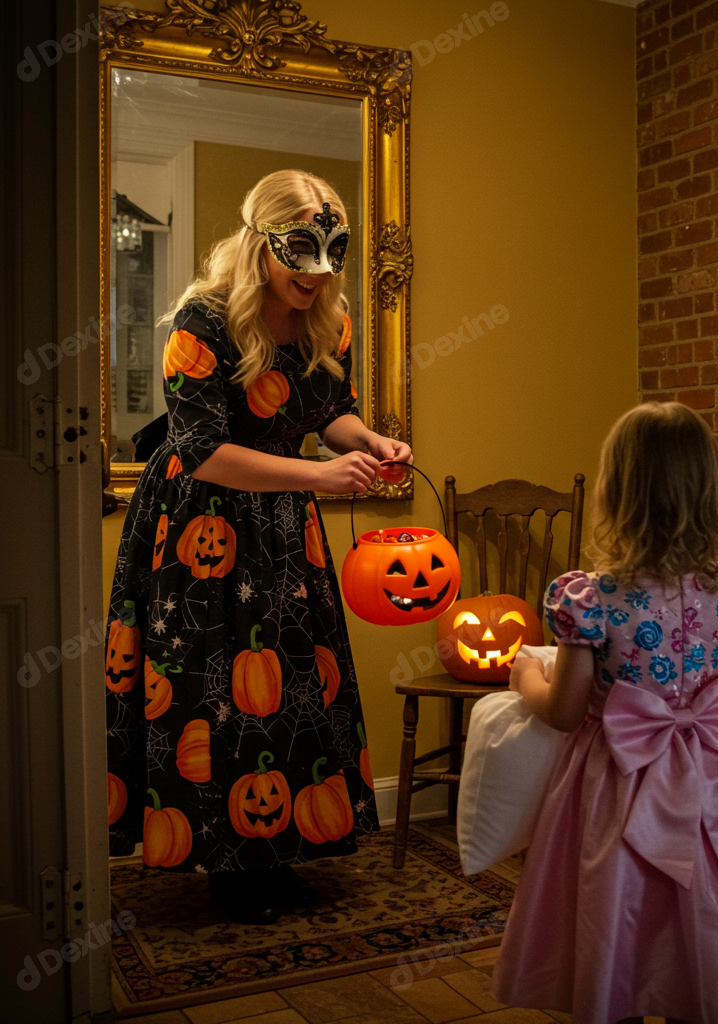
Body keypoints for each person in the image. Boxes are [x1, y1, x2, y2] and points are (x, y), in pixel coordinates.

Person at [105, 169, 410, 925]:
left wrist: (367, 439)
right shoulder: (199, 323)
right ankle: (226, 863)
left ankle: (280, 851)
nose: (317, 275)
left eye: (331, 255)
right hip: (200, 525)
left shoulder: (328, 323)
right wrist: (317, 472)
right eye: (300, 254)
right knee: (212, 686)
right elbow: (202, 450)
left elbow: (328, 408)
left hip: (281, 529)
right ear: (261, 243)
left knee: (291, 680)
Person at [490, 402, 718, 1024]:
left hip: (617, 780)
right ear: (708, 489)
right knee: (700, 922)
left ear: (618, 490)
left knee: (615, 917)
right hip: (711, 782)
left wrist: (525, 675)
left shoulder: (593, 596)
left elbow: (564, 712)